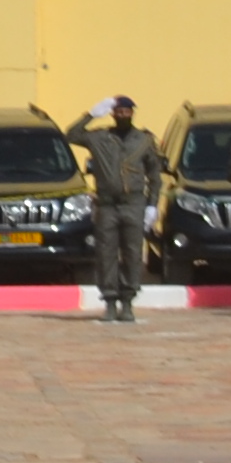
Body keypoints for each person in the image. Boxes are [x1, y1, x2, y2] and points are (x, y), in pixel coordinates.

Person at [80, 95, 157, 323]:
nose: (123, 114)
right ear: (112, 114)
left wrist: (152, 205)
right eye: (119, 111)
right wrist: (91, 115)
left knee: (133, 254)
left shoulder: (144, 140)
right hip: (107, 205)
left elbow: (154, 176)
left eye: (127, 111)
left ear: (133, 113)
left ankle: (128, 302)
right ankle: (110, 302)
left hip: (134, 203)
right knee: (106, 254)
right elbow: (72, 135)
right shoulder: (100, 138)